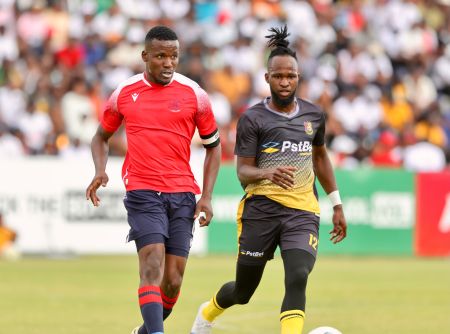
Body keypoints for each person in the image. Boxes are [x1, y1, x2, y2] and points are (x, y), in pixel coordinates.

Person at [190, 25, 347, 334]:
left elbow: (320, 158)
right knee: (242, 292)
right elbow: (242, 173)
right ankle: (207, 313)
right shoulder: (253, 119)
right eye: (278, 76)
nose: (285, 82)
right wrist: (268, 172)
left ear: (299, 77)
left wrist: (337, 204)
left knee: (298, 276)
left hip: (302, 211)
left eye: (290, 76)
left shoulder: (314, 116)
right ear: (267, 78)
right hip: (260, 210)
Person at [85, 26, 221, 334]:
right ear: (146, 56)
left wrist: (207, 196)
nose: (169, 63)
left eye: (173, 56)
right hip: (143, 190)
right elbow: (100, 137)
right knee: (152, 264)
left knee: (172, 282)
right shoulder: (125, 93)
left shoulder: (195, 95)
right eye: (161, 56)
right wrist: (100, 169)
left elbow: (214, 147)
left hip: (183, 193)